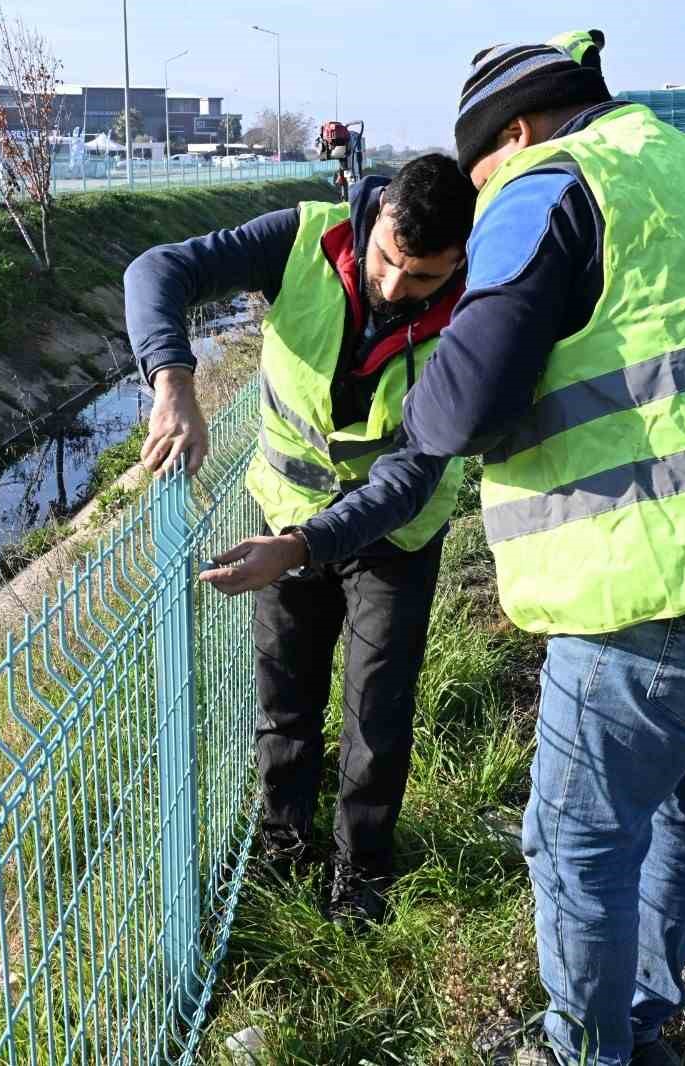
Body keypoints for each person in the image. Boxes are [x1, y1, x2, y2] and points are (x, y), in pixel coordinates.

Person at [198, 30, 685, 1066]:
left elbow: (459, 412)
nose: (475, 217)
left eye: (478, 180)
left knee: (578, 846)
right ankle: (640, 1017)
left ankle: (583, 1051)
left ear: (510, 136)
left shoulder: (549, 182)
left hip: (663, 601)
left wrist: (425, 372)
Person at [125, 155, 476, 926]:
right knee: (283, 700)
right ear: (375, 212)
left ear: (459, 259)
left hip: (394, 537)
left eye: (421, 281)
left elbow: (410, 477)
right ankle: (283, 846)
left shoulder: (480, 312)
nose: (393, 289)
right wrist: (174, 381)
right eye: (387, 260)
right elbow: (156, 270)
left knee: (377, 717)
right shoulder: (302, 240)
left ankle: (362, 876)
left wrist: (299, 547)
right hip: (284, 509)